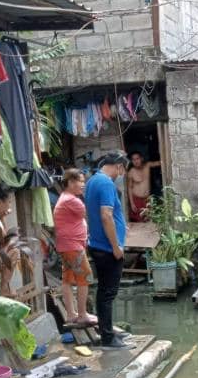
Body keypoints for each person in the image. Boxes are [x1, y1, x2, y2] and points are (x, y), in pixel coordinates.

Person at [85, 150, 134, 350]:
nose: (122, 175)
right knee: (107, 294)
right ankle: (107, 338)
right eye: (123, 170)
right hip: (107, 248)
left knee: (103, 292)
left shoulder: (92, 181)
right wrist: (116, 246)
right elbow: (106, 215)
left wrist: (121, 226)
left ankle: (107, 332)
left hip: (98, 244)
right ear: (119, 166)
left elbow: (102, 215)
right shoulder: (106, 183)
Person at [53, 168, 98, 325]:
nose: (83, 185)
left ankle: (71, 314)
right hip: (73, 245)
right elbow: (91, 213)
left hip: (67, 245)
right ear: (71, 182)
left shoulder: (65, 198)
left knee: (67, 279)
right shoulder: (71, 200)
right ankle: (82, 315)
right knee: (84, 277)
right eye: (81, 181)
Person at [126, 151, 161, 222]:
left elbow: (160, 163)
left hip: (147, 199)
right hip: (136, 200)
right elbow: (129, 188)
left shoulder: (147, 166)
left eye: (137, 158)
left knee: (149, 220)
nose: (136, 161)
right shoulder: (131, 172)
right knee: (139, 222)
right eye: (133, 159)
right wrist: (132, 204)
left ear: (141, 158)